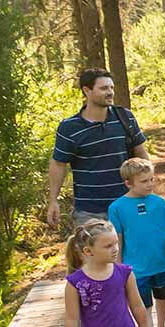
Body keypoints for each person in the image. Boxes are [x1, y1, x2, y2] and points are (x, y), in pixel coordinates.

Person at [44, 69, 150, 230]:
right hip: (89, 212)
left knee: (133, 254)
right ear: (87, 90)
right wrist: (53, 200)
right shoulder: (70, 128)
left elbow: (141, 154)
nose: (110, 92)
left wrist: (147, 188)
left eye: (111, 88)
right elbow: (58, 164)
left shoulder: (125, 117)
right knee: (95, 255)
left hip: (127, 204)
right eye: (104, 88)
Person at [107, 157, 165, 327]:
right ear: (128, 183)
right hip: (135, 269)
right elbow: (118, 239)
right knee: (143, 306)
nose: (150, 184)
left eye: (152, 179)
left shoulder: (159, 203)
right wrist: (117, 267)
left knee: (162, 297)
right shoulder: (117, 208)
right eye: (144, 181)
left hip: (161, 263)